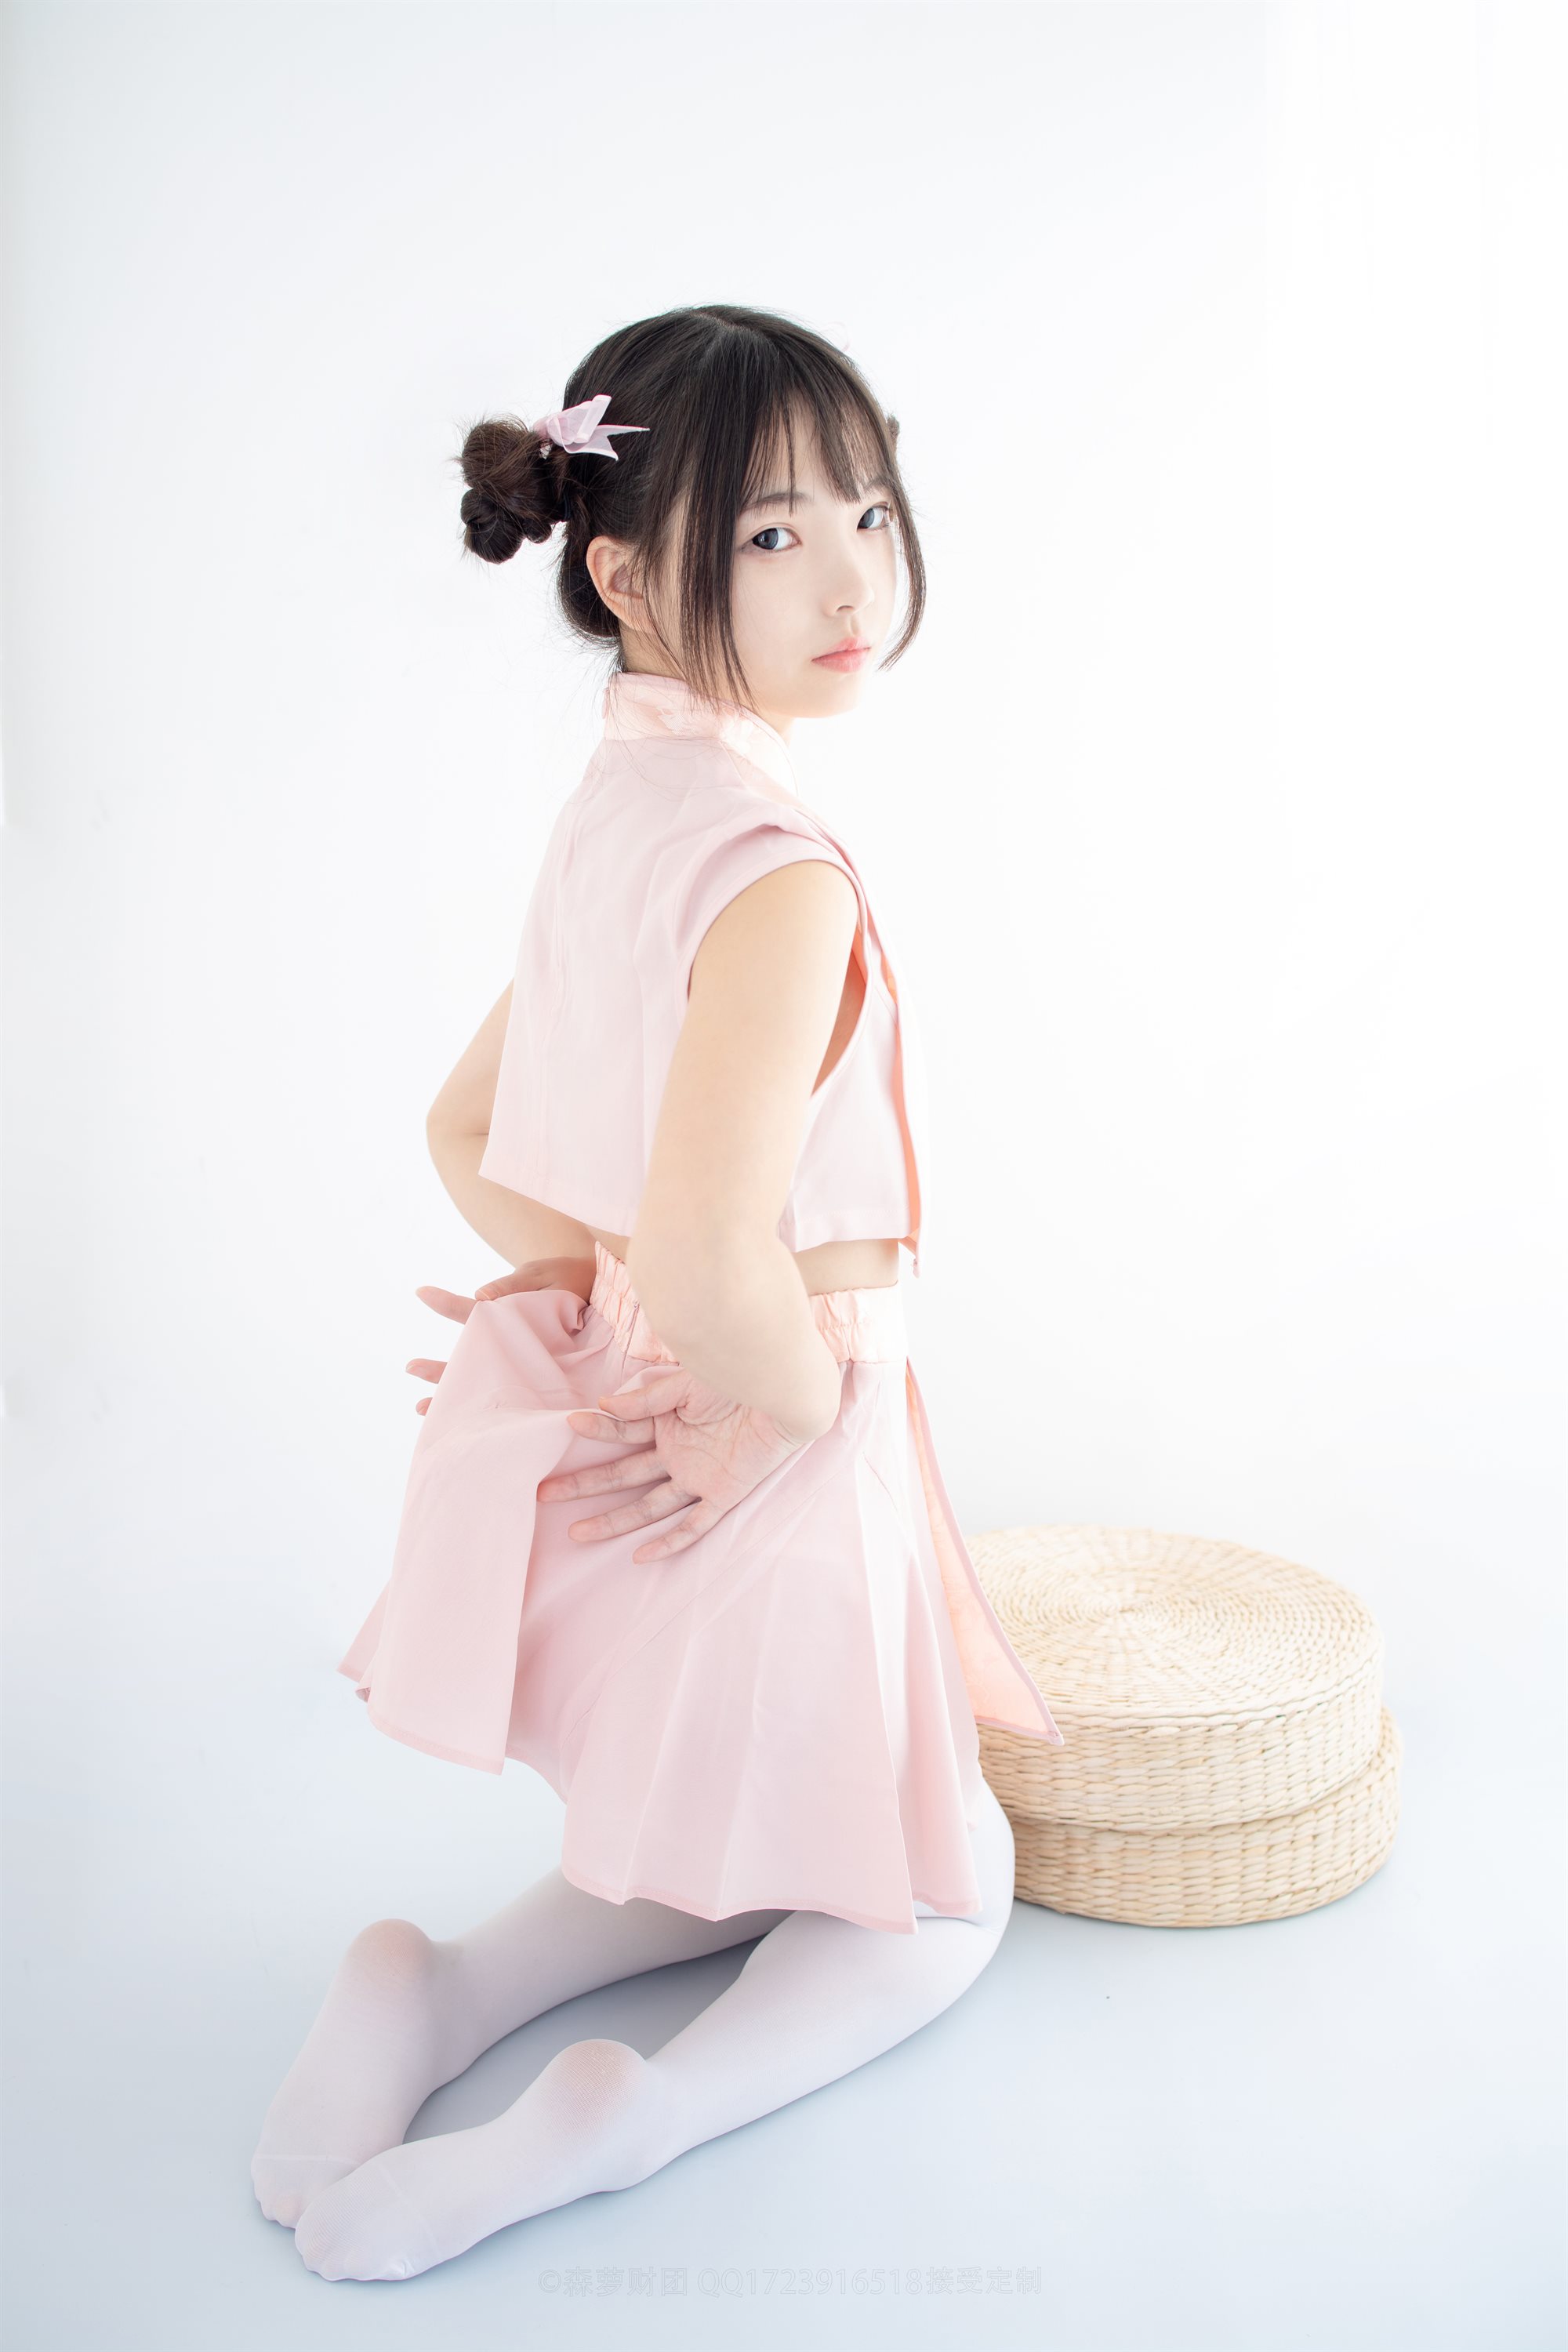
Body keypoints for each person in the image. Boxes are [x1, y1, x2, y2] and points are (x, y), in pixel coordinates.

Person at [250, 303, 1062, 2284]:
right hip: (778, 1396)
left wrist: (594, 1314)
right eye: (774, 534)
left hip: (682, 1376)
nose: (851, 578)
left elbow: (472, 1128)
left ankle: (434, 1988)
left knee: (758, 1825)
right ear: (622, 573)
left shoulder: (624, 804)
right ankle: (636, 2116)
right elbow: (713, 1247)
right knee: (944, 1890)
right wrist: (771, 1403)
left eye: (867, 513)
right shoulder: (779, 865)